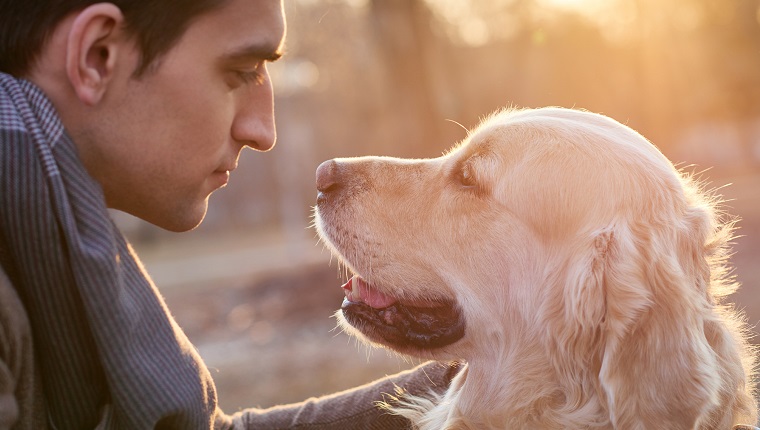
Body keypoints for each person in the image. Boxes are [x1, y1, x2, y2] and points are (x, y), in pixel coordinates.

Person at [0, 0, 457, 428]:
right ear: (97, 56)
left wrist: (470, 383)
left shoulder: (49, 219)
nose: (263, 131)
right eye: (240, 71)